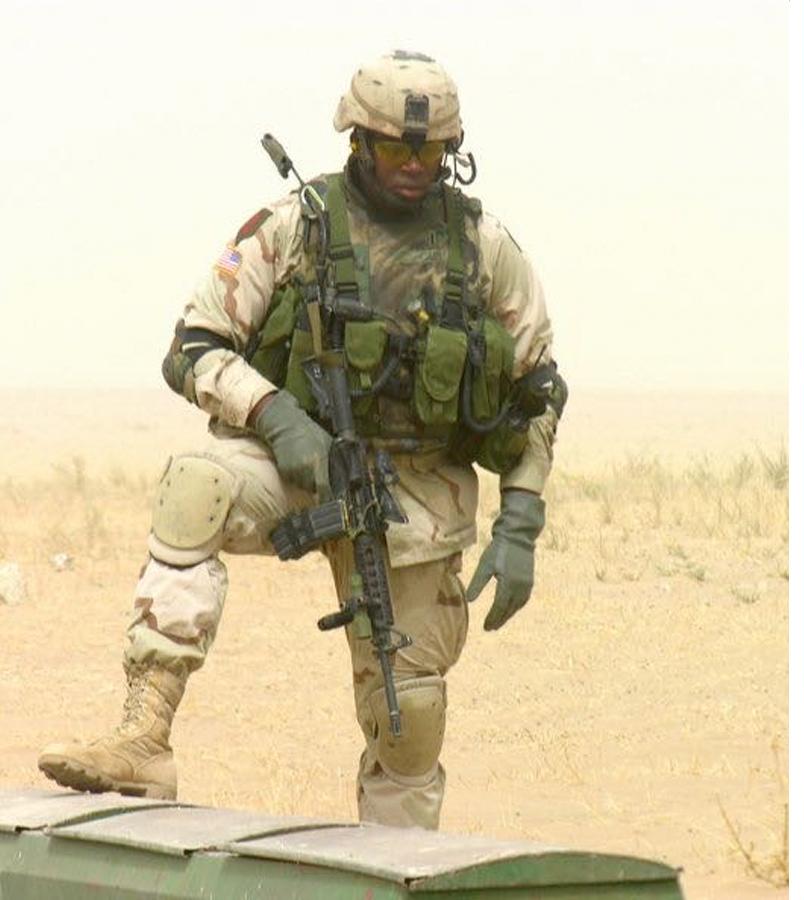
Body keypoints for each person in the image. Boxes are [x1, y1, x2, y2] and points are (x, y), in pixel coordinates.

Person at [37, 50, 566, 831]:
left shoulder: (485, 247)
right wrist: (276, 416)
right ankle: (145, 735)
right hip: (300, 464)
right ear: (357, 141)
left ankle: (395, 870)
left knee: (408, 720)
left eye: (431, 151)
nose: (415, 166)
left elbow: (540, 387)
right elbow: (193, 346)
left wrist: (521, 519)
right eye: (395, 148)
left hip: (416, 495)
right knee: (197, 484)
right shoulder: (293, 226)